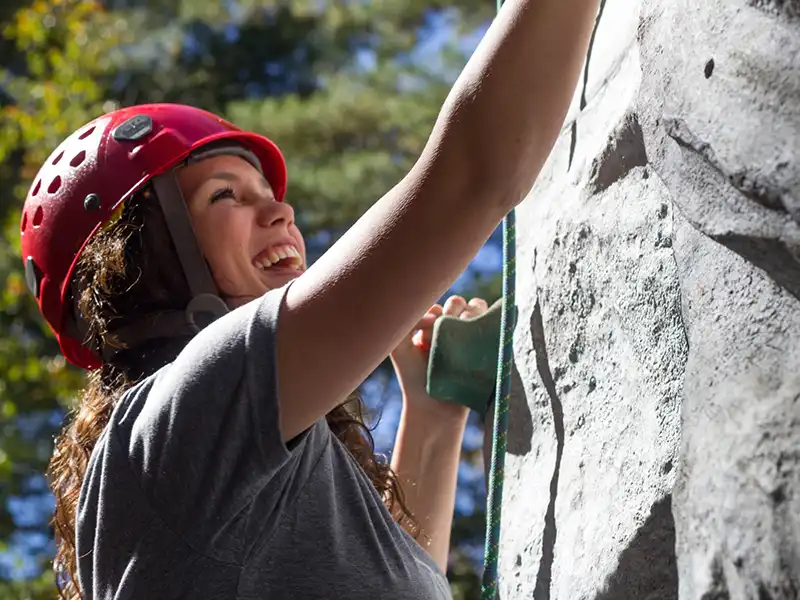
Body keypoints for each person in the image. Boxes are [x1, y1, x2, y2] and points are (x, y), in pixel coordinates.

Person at [20, 0, 599, 598]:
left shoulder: (211, 468)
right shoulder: (177, 420)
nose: (281, 210)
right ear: (146, 258)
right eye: (225, 196)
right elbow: (472, 175)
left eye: (267, 192)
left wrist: (428, 417)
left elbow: (373, 573)